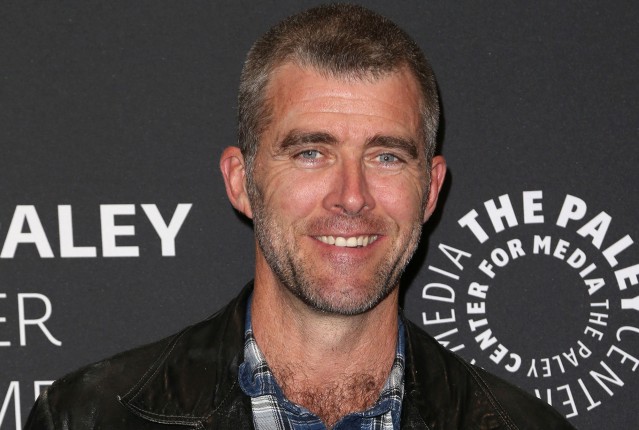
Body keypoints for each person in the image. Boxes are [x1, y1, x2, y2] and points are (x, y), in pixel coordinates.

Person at [26, 4, 575, 429]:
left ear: (430, 190)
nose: (352, 197)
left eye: (386, 156)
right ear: (241, 181)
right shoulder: (88, 417)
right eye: (311, 152)